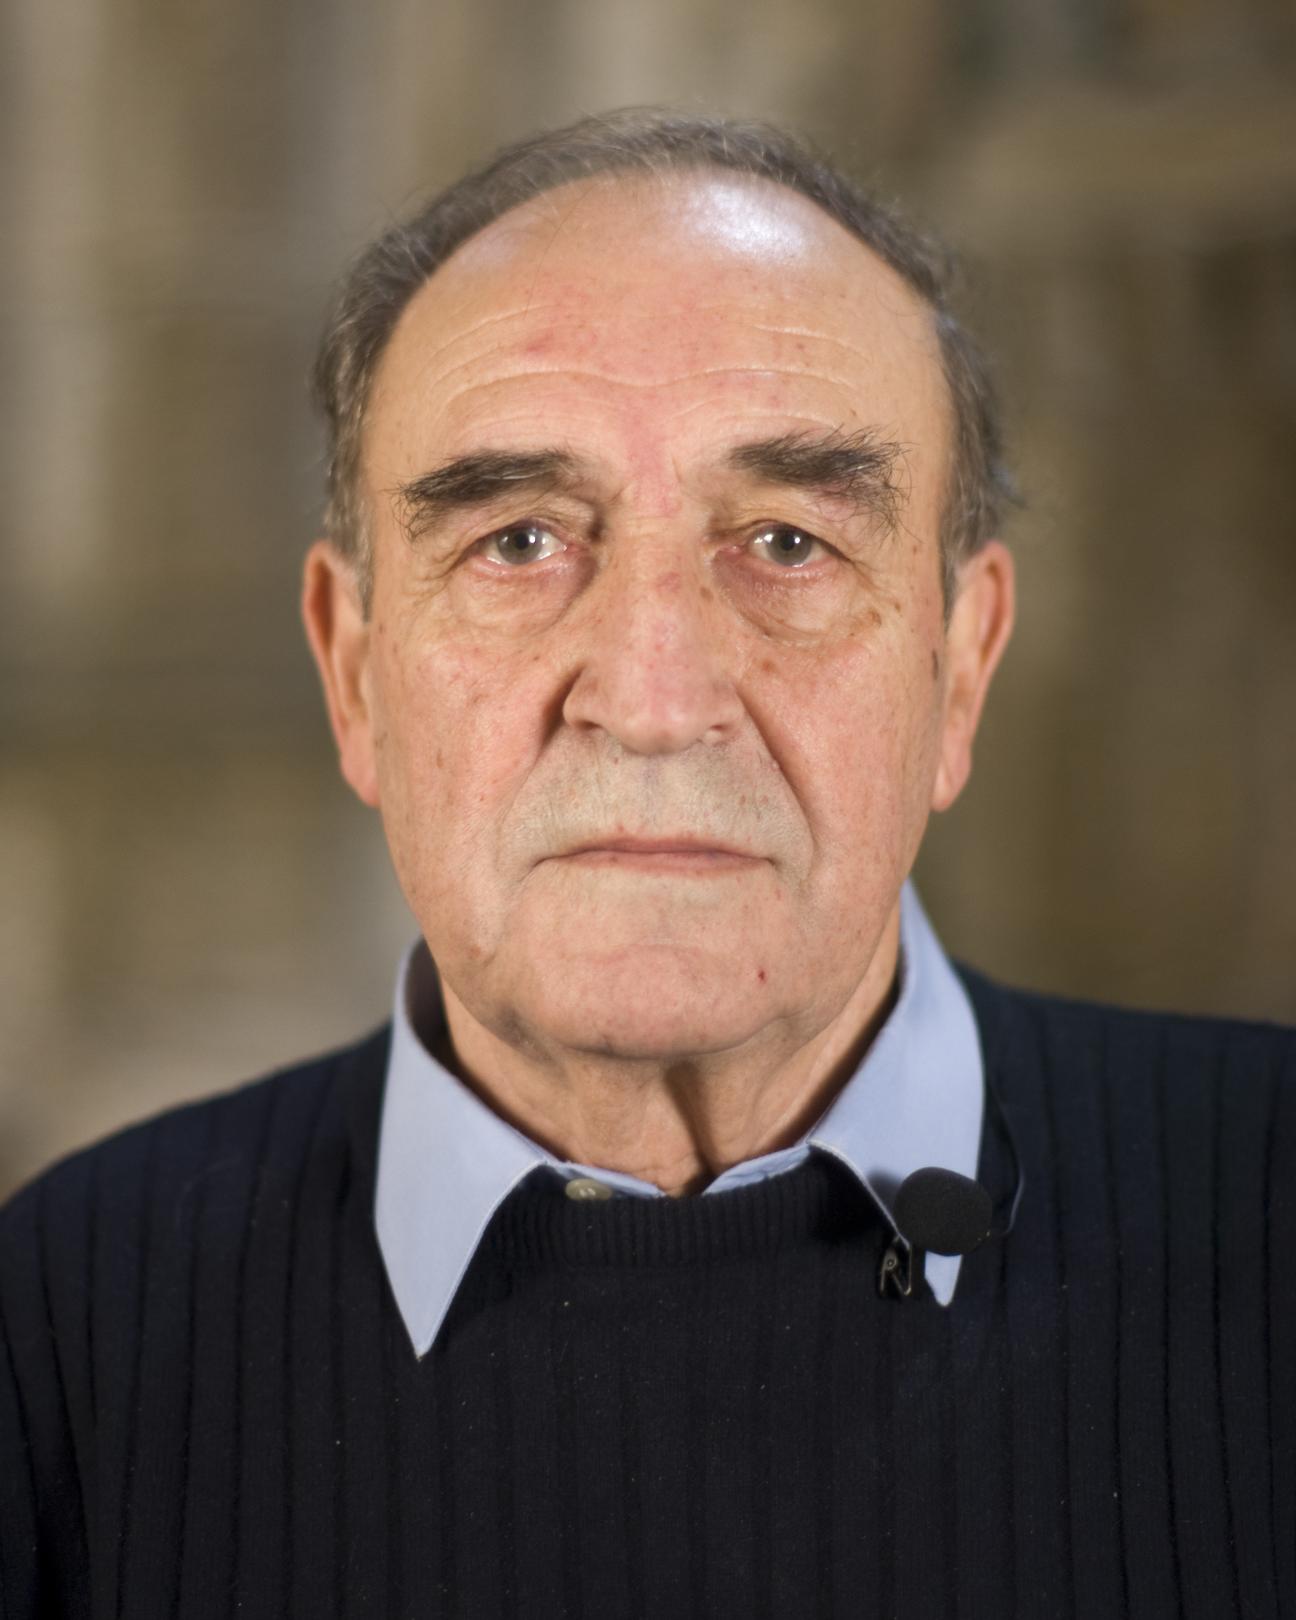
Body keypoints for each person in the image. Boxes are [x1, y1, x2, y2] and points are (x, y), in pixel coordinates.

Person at [2, 107, 1292, 1620]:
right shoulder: (61, 1331)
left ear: (961, 671)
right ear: (354, 675)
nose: (655, 696)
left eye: (790, 543)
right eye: (517, 543)